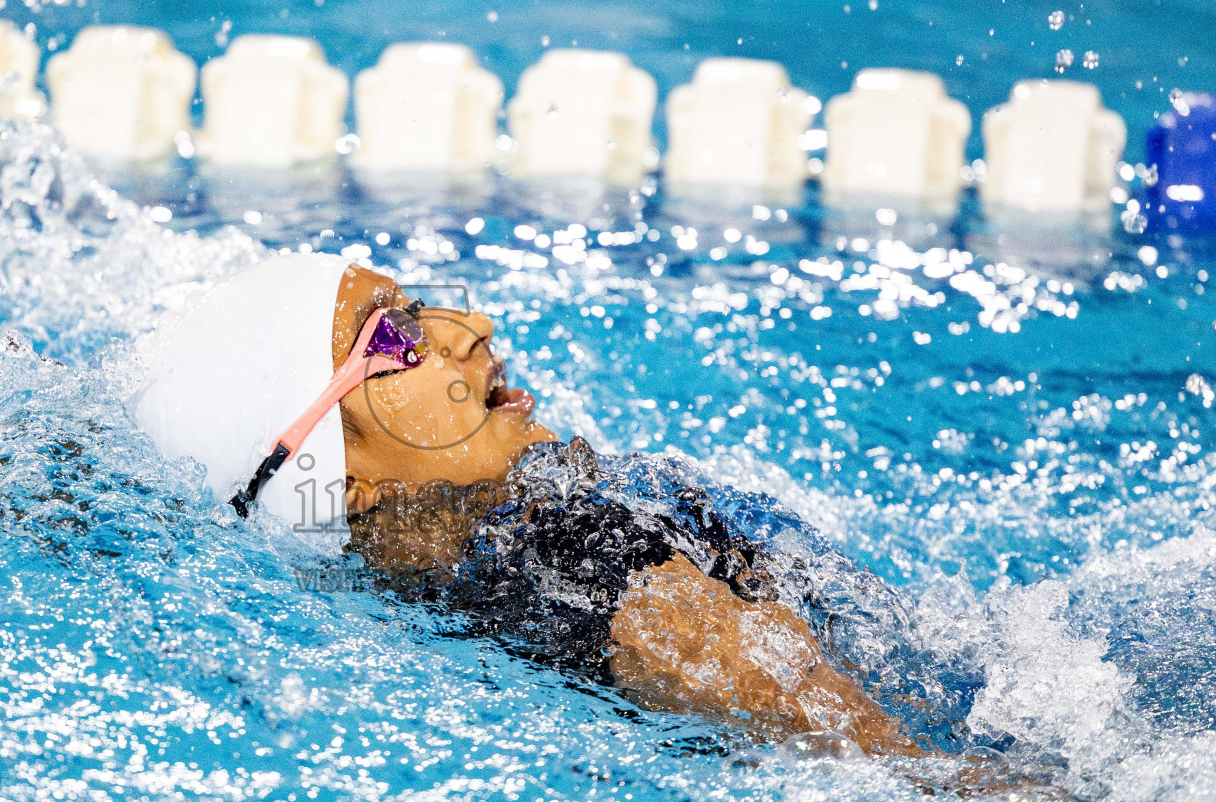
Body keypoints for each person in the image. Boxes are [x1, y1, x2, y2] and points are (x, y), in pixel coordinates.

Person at [136, 253, 972, 758]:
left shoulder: (427, 593)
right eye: (395, 339)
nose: (472, 324)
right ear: (349, 478)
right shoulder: (571, 552)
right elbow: (893, 763)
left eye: (418, 306)